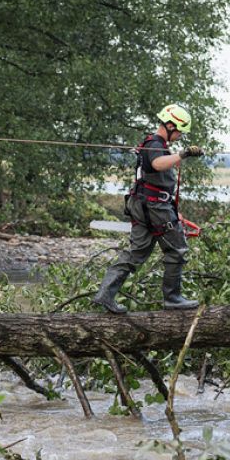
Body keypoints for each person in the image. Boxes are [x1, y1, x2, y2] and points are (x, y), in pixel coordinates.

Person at [92, 104, 204, 314]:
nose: (180, 136)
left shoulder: (156, 144)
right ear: (170, 125)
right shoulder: (154, 144)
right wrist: (184, 154)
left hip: (148, 205)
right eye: (179, 131)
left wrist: (173, 209)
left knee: (136, 253)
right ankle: (172, 298)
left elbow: (156, 178)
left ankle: (105, 294)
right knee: (177, 249)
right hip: (154, 207)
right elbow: (158, 164)